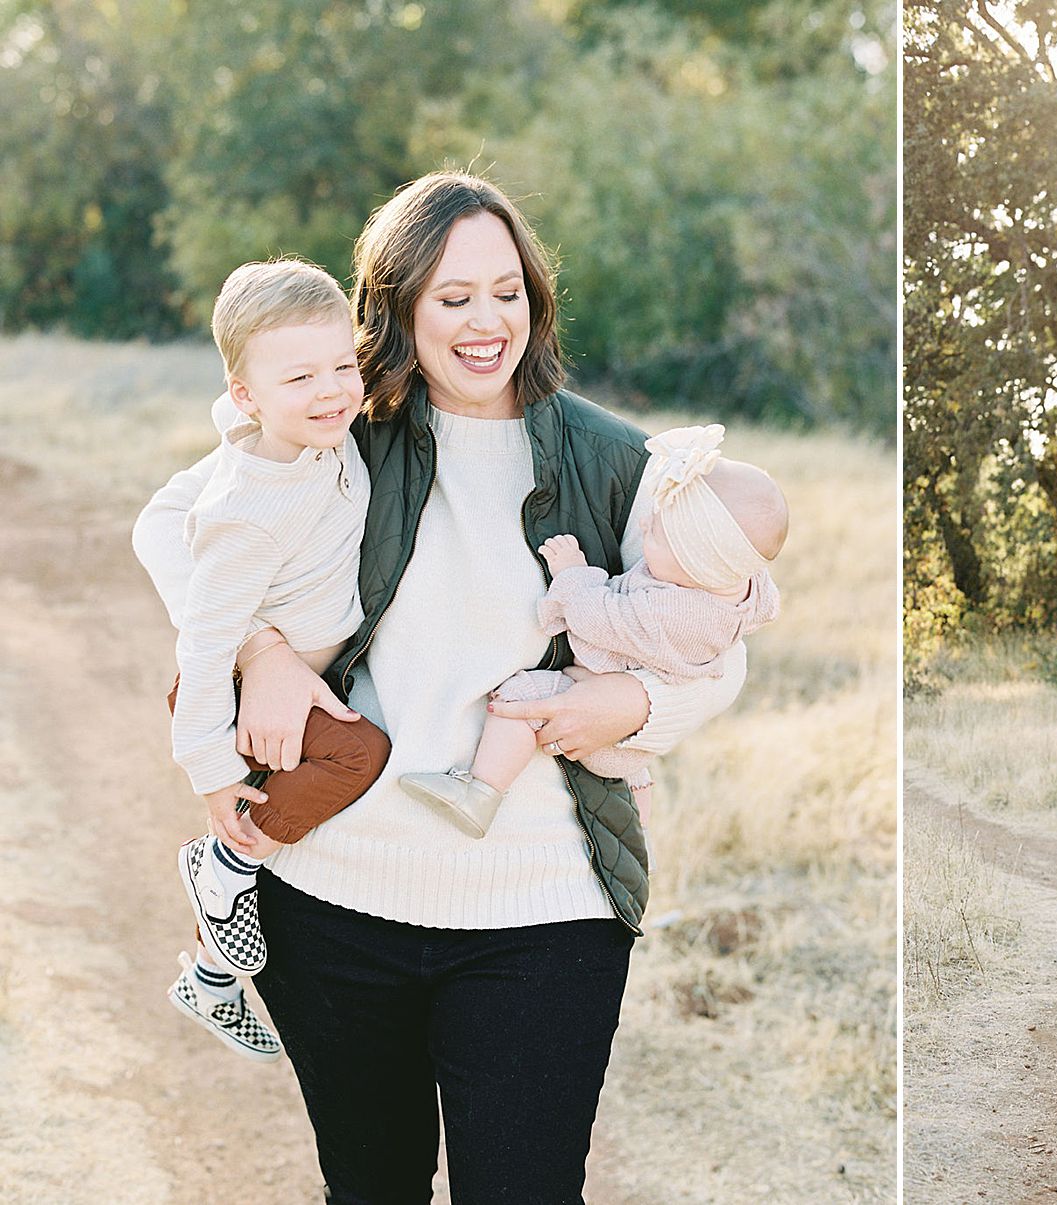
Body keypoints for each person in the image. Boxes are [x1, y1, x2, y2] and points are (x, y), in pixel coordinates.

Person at [132, 171, 745, 1202]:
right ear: (399, 305)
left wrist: (631, 706)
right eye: (452, 297)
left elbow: (717, 648)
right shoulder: (338, 427)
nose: (485, 321)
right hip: (334, 902)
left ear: (536, 299)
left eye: (507, 290)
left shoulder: (616, 462)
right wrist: (263, 652)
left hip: (546, 911)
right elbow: (165, 522)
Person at [162, 258, 391, 1063]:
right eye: (300, 376)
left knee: (325, 757)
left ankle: (212, 980)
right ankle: (225, 854)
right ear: (246, 394)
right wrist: (211, 767)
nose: (331, 390)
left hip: (290, 681)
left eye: (342, 365)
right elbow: (203, 640)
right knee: (359, 751)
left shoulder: (318, 436)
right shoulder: (248, 509)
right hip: (228, 692)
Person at [399, 422, 784, 840]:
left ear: (698, 564)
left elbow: (596, 617)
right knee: (635, 767)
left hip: (599, 723)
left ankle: (482, 790)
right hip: (631, 745)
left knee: (520, 699)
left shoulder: (665, 611)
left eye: (657, 532)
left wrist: (573, 572)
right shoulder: (742, 591)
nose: (645, 526)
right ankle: (641, 825)